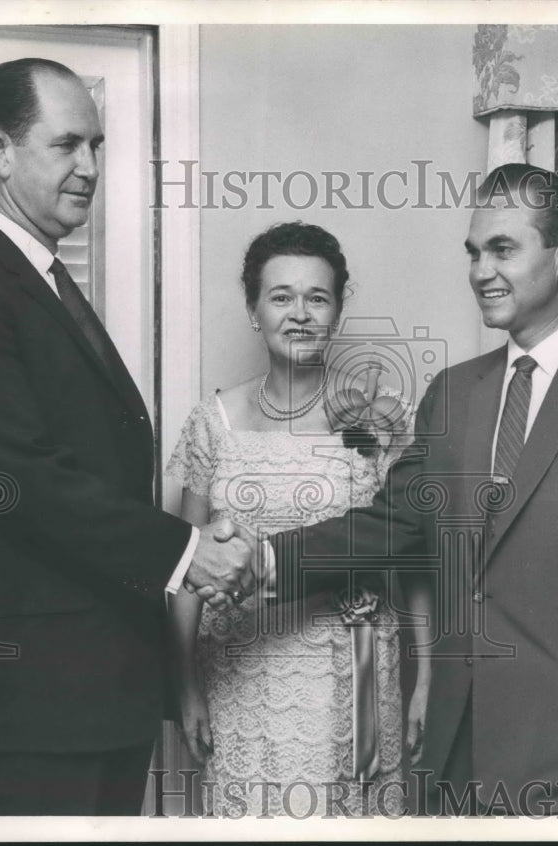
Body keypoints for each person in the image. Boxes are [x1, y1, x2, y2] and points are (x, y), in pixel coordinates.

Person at [214, 164, 558, 815]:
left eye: (503, 249)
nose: (480, 270)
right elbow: (391, 525)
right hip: (455, 748)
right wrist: (263, 560)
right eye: (473, 252)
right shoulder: (454, 394)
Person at [0, 58, 252, 816]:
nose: (90, 167)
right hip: (26, 704)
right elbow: (18, 477)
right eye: (67, 146)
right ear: (0, 154)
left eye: (97, 146)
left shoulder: (41, 282)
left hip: (96, 695)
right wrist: (188, 551)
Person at [166, 221, 424, 816]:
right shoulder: (213, 423)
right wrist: (184, 687)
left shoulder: (381, 417)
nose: (300, 314)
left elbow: (412, 553)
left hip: (351, 668)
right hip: (239, 670)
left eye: (318, 297)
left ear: (337, 309)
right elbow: (184, 565)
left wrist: (427, 681)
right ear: (253, 308)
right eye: (281, 296)